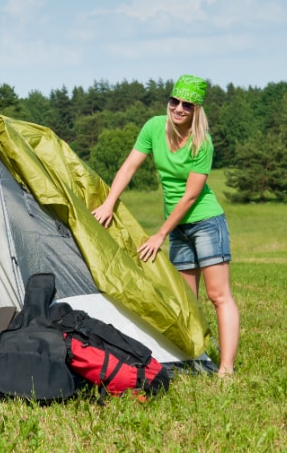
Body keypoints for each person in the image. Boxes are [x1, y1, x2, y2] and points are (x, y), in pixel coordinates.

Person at [91, 74, 239, 377]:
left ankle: (226, 369)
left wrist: (160, 234)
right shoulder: (154, 127)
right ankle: (192, 357)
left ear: (196, 110)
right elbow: (130, 166)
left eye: (187, 104)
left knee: (218, 295)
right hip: (179, 228)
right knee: (184, 299)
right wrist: (109, 203)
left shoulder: (202, 143)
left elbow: (191, 196)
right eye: (175, 101)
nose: (179, 108)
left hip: (205, 222)